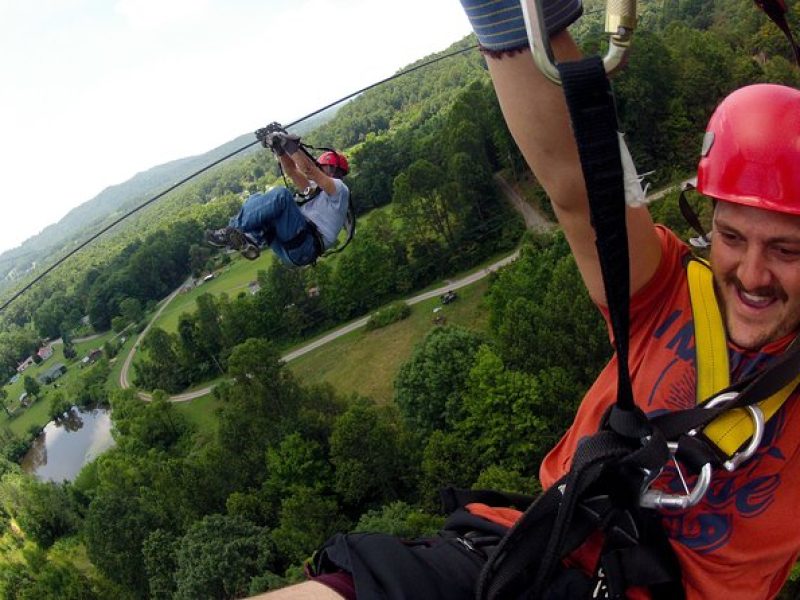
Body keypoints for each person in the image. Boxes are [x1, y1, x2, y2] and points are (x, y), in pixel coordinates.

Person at [251, 1, 800, 598]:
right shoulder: (672, 288)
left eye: (787, 251)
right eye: (732, 237)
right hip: (531, 557)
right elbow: (577, 183)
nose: (751, 274)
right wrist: (507, 13)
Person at [206, 131, 350, 267]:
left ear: (332, 169)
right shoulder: (315, 190)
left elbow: (309, 170)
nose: (318, 167)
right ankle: (251, 239)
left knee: (281, 196)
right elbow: (292, 171)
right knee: (258, 200)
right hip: (294, 248)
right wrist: (279, 149)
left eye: (322, 166)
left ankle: (231, 231)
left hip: (305, 245)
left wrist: (288, 144)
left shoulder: (339, 190)